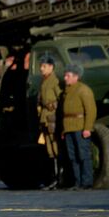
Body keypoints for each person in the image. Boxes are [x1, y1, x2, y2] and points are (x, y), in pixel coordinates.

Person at [61, 64, 97, 189]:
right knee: (73, 157)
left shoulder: (83, 90)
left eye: (68, 75)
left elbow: (91, 110)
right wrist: (64, 130)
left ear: (76, 77)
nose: (65, 78)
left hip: (80, 127)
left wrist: (87, 128)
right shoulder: (67, 91)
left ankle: (86, 182)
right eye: (65, 75)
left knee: (83, 155)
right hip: (69, 128)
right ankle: (77, 182)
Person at [37, 54, 62, 190]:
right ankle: (52, 179)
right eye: (41, 66)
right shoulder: (45, 81)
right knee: (49, 149)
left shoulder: (54, 81)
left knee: (55, 148)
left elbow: (60, 98)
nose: (41, 69)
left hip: (51, 118)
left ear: (51, 67)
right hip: (45, 119)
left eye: (44, 66)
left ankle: (58, 179)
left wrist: (53, 106)